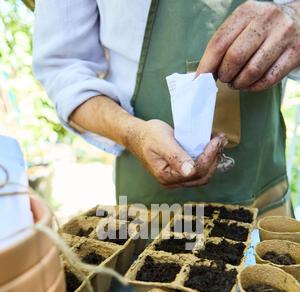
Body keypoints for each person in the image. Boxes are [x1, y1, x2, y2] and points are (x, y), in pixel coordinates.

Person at [33, 0, 300, 214]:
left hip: (260, 183)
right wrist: (132, 133)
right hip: (150, 197)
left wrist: (295, 17)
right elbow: (65, 68)